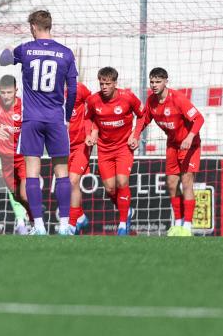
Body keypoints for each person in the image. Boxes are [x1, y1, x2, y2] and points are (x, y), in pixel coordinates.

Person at [0, 10, 78, 235]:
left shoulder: (25, 49)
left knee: (32, 173)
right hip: (56, 120)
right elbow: (71, 89)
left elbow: (3, 60)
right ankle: (64, 226)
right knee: (62, 172)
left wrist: (7, 48)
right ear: (49, 26)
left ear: (34, 26)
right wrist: (67, 116)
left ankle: (40, 227)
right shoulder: (65, 53)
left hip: (31, 119)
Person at [133, 67, 204, 237]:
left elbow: (199, 118)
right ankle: (177, 224)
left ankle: (187, 227)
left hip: (190, 145)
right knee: (172, 184)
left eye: (158, 82)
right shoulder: (151, 101)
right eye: (152, 82)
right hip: (172, 145)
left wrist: (190, 137)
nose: (154, 85)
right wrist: (135, 136)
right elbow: (143, 119)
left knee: (187, 183)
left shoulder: (178, 99)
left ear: (166, 81)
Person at [83, 67, 144, 236]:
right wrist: (90, 134)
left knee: (122, 181)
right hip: (104, 149)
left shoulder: (127, 97)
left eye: (108, 84)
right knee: (110, 189)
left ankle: (123, 223)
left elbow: (142, 115)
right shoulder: (94, 100)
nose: (104, 87)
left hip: (124, 147)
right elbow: (88, 118)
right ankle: (127, 210)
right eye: (102, 83)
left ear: (115, 83)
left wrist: (136, 135)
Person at [0, 75, 30, 234]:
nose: (6, 96)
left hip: (23, 156)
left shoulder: (25, 106)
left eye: (10, 92)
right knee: (16, 195)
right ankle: (35, 211)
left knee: (24, 193)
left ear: (16, 91)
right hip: (5, 158)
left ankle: (36, 222)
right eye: (3, 92)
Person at [68, 81, 94, 234]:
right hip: (61, 145)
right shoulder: (50, 88)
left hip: (81, 145)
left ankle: (71, 225)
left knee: (72, 180)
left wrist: (91, 132)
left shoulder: (79, 89)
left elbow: (94, 108)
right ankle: (81, 216)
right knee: (67, 185)